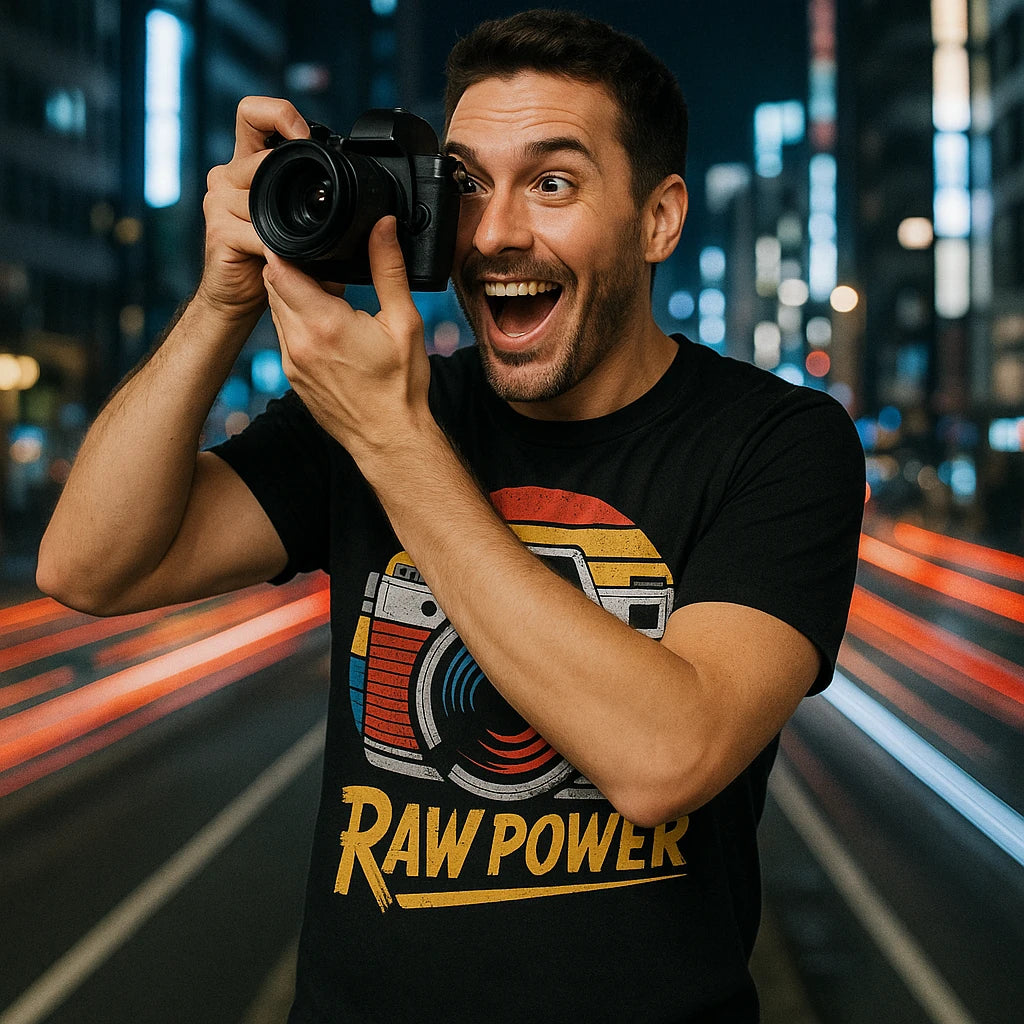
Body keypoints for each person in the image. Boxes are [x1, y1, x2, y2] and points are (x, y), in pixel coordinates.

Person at [37, 9, 865, 1022]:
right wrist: (222, 300)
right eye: (465, 183)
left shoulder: (776, 440)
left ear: (658, 218)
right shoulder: (384, 407)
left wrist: (393, 441)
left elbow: (668, 757)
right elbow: (88, 567)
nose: (497, 231)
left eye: (552, 182)